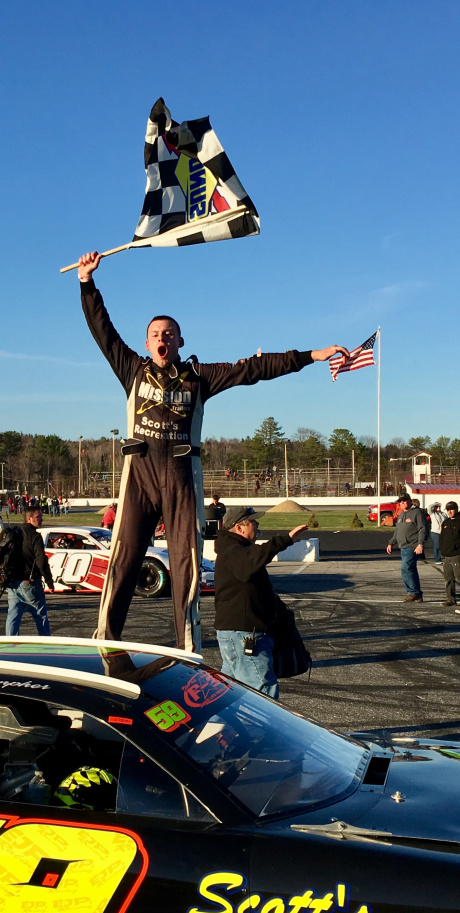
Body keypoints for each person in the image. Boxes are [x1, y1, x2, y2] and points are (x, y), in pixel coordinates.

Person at [76, 250, 349, 652]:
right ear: (146, 342)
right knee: (124, 559)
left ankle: (187, 649)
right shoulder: (132, 368)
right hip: (139, 475)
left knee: (185, 564)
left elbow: (253, 369)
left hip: (182, 479)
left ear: (181, 340)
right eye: (155, 334)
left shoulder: (199, 377)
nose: (162, 339)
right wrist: (87, 282)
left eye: (169, 333)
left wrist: (311, 356)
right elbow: (102, 329)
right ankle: (105, 645)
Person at [214, 506, 307, 698]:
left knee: (227, 694)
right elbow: (250, 564)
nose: (257, 526)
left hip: (241, 634)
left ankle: (223, 726)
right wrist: (283, 541)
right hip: (244, 636)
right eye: (254, 523)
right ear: (240, 527)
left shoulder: (235, 550)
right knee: (262, 693)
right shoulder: (233, 551)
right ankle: (262, 728)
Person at [4, 506, 55, 636]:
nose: (41, 520)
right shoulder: (35, 537)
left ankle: (11, 643)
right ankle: (46, 644)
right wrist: (49, 581)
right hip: (29, 583)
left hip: (12, 583)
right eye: (38, 517)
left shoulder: (13, 533)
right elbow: (41, 561)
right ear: (29, 518)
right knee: (40, 616)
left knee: (13, 615)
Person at [386, 494, 426, 602]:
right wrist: (391, 543)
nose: (402, 503)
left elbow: (423, 529)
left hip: (412, 546)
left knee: (406, 568)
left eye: (404, 500)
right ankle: (415, 593)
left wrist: (420, 544)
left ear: (409, 500)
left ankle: (413, 592)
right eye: (400, 501)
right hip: (403, 546)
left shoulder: (417, 513)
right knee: (409, 569)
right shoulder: (401, 514)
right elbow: (397, 531)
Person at [439, 501, 460, 607]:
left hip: (457, 555)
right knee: (448, 578)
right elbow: (441, 538)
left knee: (459, 576)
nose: (450, 511)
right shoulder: (445, 522)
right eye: (448, 510)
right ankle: (450, 599)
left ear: (456, 509)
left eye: (452, 509)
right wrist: (442, 550)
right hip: (447, 555)